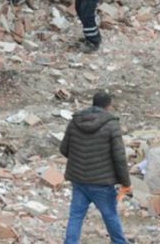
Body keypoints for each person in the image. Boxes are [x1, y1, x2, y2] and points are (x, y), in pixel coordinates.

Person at [60, 92, 131, 244]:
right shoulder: (112, 124)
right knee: (110, 215)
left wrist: (80, 162)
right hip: (102, 183)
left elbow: (64, 149)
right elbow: (119, 157)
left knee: (76, 216)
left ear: (93, 103)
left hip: (79, 180)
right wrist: (126, 182)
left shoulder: (75, 122)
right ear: (108, 106)